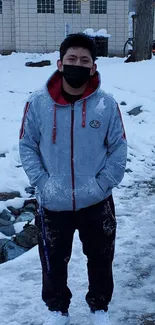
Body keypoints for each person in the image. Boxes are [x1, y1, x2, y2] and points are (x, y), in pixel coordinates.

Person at [19, 33, 127, 325]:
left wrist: (102, 184)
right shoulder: (37, 103)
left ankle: (99, 307)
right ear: (60, 63)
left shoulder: (106, 105)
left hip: (97, 200)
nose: (77, 65)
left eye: (84, 60)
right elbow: (27, 145)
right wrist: (43, 183)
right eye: (71, 59)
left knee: (101, 258)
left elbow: (118, 147)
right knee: (53, 262)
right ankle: (57, 310)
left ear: (93, 67)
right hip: (53, 201)